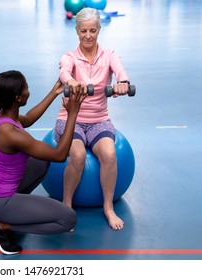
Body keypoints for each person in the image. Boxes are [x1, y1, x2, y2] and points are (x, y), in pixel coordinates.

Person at [0, 70, 87, 255]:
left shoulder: (0, 116)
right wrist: (73, 113)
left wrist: (54, 92)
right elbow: (60, 155)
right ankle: (3, 225)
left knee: (40, 161)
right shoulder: (12, 134)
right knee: (68, 219)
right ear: (19, 98)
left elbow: (27, 119)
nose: (29, 90)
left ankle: (13, 212)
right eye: (26, 88)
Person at [55, 8, 131, 231]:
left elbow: (121, 72)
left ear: (99, 30)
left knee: (109, 153)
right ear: (77, 30)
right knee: (77, 155)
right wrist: (72, 82)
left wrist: (123, 83)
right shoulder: (69, 57)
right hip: (71, 119)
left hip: (99, 120)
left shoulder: (109, 55)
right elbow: (64, 73)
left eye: (93, 30)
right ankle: (66, 206)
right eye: (83, 31)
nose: (88, 36)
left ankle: (108, 207)